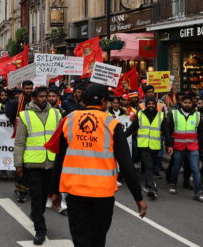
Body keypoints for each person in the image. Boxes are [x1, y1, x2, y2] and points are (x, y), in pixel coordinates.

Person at [51, 84, 147, 247]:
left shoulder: (69, 119)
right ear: (103, 101)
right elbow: (126, 165)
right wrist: (138, 197)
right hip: (102, 194)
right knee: (97, 238)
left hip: (75, 191)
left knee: (81, 239)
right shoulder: (111, 124)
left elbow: (59, 159)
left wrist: (54, 191)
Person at [15, 87, 62, 245]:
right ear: (33, 98)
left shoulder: (56, 113)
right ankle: (40, 229)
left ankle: (36, 214)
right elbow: (20, 142)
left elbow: (62, 139)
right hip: (33, 164)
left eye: (46, 96)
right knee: (36, 196)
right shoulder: (24, 116)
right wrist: (18, 164)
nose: (45, 99)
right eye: (41, 96)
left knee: (45, 197)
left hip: (52, 163)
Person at [164, 92, 203, 202]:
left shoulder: (197, 115)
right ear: (181, 103)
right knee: (176, 167)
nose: (187, 104)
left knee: (195, 169)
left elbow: (201, 133)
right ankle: (173, 184)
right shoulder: (174, 114)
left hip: (193, 147)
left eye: (189, 103)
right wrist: (169, 145)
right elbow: (168, 130)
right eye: (185, 102)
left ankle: (198, 193)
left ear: (192, 103)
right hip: (178, 146)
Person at [125, 96, 165, 200]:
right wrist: (122, 136)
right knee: (149, 167)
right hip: (143, 146)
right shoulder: (140, 114)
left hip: (155, 146)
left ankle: (148, 185)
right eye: (149, 104)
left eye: (153, 104)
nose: (151, 106)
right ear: (146, 105)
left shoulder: (161, 115)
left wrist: (169, 144)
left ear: (155, 105)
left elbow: (166, 131)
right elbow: (132, 127)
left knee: (150, 167)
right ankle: (152, 189)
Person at [6, 80, 35, 203]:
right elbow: (11, 116)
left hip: (33, 135)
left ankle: (29, 189)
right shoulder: (17, 101)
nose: (28, 90)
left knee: (30, 164)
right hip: (21, 134)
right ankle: (21, 191)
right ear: (22, 88)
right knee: (21, 163)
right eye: (26, 88)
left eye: (30, 88)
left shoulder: (36, 100)